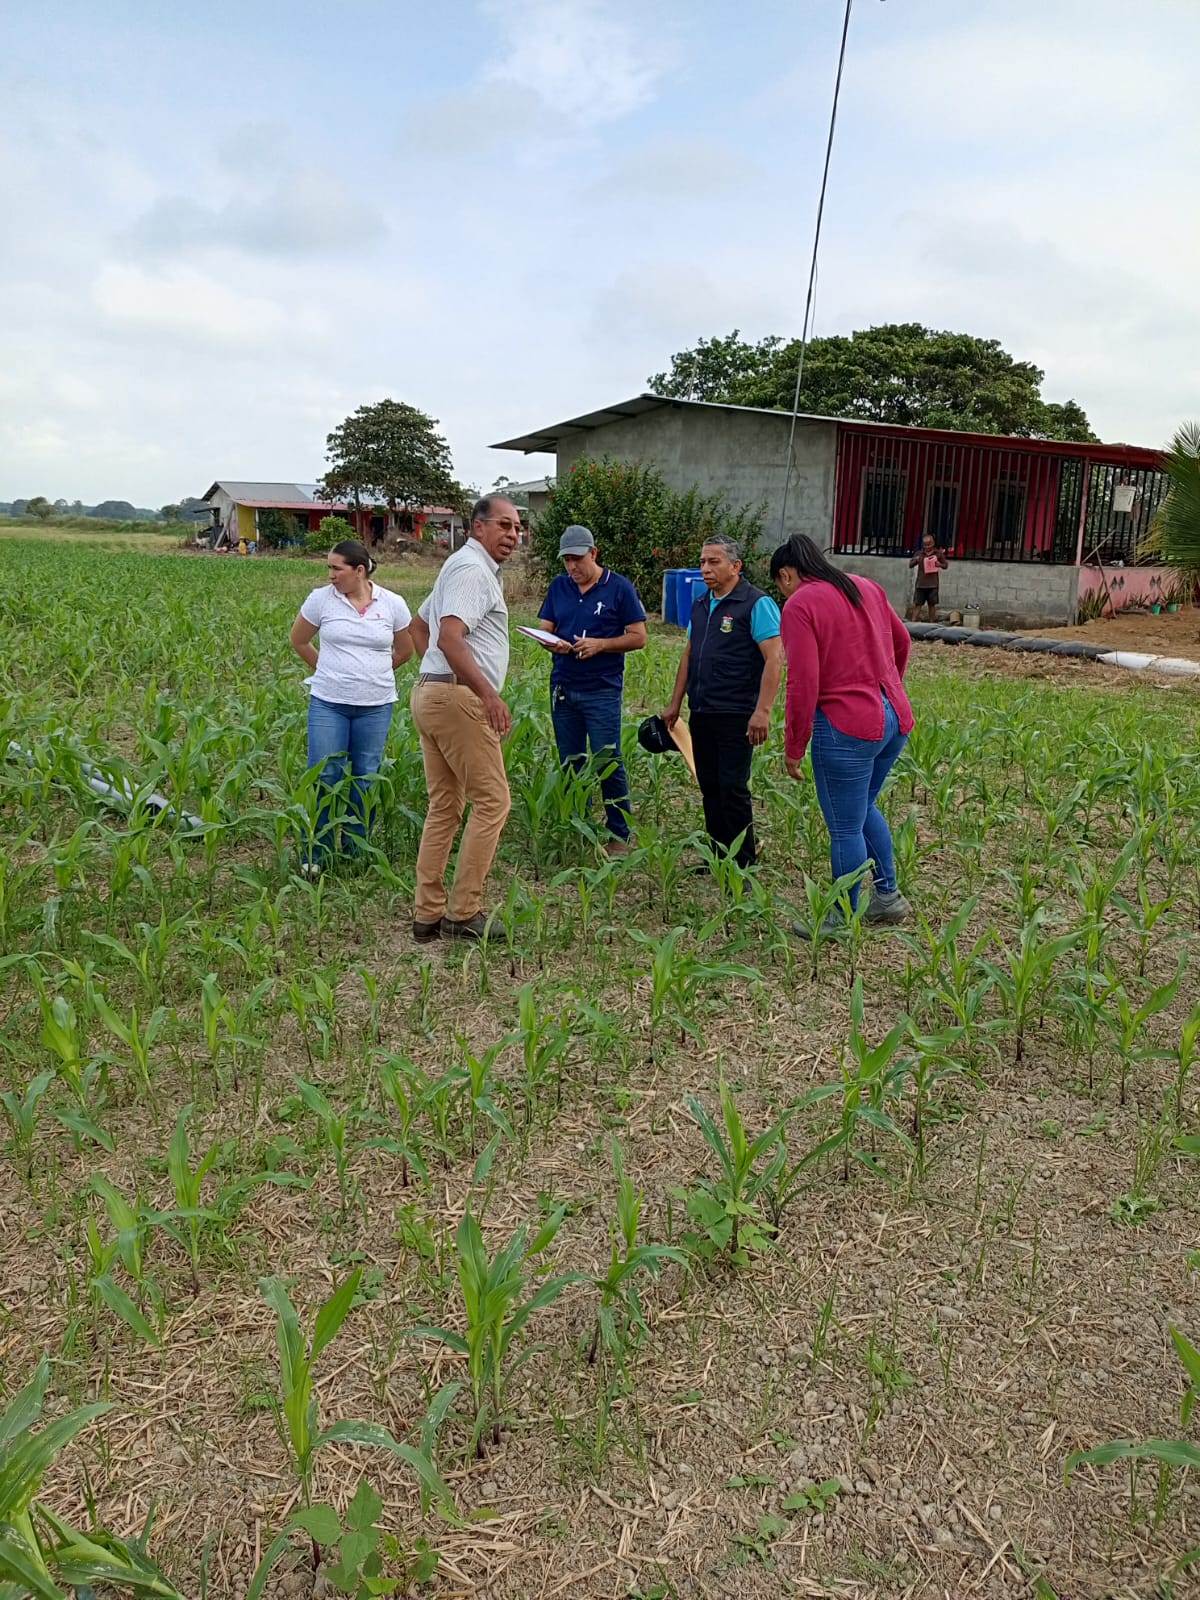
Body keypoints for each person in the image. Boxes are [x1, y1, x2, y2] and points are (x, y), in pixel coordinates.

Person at [772, 535, 914, 935]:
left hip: (847, 726)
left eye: (780, 585)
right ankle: (887, 896)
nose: (782, 593)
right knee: (863, 807)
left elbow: (803, 682)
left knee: (845, 828)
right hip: (893, 717)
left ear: (787, 575)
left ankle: (841, 916)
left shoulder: (800, 604)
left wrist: (794, 745)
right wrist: (888, 686)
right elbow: (902, 641)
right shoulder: (865, 586)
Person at [406, 496, 521, 941]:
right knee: (492, 801)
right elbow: (450, 638)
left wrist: (435, 674)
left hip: (433, 692)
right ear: (477, 527)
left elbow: (420, 627)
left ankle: (428, 914)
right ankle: (462, 913)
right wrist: (485, 694)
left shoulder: (458, 568)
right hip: (457, 698)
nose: (513, 535)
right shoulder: (473, 570)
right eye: (504, 525)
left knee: (445, 806)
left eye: (517, 528)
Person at [289, 539, 415, 871]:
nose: (330, 575)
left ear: (359, 570)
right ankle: (316, 854)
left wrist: (374, 673)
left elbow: (405, 651)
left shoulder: (392, 603)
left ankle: (356, 851)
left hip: (375, 705)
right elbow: (299, 640)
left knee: (365, 778)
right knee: (324, 774)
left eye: (337, 568)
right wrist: (327, 670)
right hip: (329, 704)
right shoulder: (321, 600)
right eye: (328, 568)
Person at [663, 536, 783, 870]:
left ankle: (743, 863)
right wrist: (675, 703)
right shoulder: (701, 604)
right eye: (702, 562)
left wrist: (762, 711)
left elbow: (774, 659)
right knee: (710, 785)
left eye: (713, 562)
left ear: (735, 566)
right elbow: (689, 654)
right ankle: (718, 857)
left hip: (737, 712)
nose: (705, 568)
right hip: (702, 710)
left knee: (732, 788)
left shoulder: (756, 603)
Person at [535, 525, 647, 855]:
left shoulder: (619, 588)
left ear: (594, 554)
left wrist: (601, 645)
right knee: (571, 761)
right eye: (567, 560)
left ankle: (619, 833)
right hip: (563, 686)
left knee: (607, 759)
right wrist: (552, 643)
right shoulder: (560, 586)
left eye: (578, 559)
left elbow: (639, 637)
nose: (572, 567)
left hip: (601, 690)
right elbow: (546, 627)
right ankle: (578, 824)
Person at [909, 531, 947, 621]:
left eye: (929, 545)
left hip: (933, 584)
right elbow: (910, 565)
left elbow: (945, 565)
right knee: (918, 604)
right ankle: (913, 621)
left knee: (932, 605)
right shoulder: (919, 553)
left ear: (933, 544)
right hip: (921, 584)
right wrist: (915, 560)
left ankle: (932, 622)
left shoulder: (938, 554)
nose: (927, 547)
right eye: (925, 545)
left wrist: (939, 565)